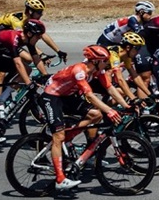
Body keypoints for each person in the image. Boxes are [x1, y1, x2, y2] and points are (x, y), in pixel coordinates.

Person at [40, 45, 125, 191]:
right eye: (105, 61)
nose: (108, 63)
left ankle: (68, 136)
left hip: (67, 96)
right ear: (96, 61)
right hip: (52, 97)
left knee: (96, 115)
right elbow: (90, 96)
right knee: (58, 136)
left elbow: (109, 88)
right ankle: (60, 179)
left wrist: (125, 105)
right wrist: (109, 110)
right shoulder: (80, 71)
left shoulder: (98, 70)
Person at [0, 19, 49, 143]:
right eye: (38, 37)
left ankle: (3, 97)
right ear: (30, 34)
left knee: (27, 69)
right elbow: (18, 63)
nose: (39, 39)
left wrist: (46, 76)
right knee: (15, 70)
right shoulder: (14, 37)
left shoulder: (28, 39)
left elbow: (36, 59)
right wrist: (28, 83)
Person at [0, 0, 67, 63]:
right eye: (39, 12)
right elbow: (28, 42)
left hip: (3, 38)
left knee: (27, 61)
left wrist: (59, 51)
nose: (41, 14)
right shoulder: (18, 22)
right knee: (27, 59)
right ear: (31, 12)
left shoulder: (30, 20)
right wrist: (42, 55)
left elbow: (42, 34)